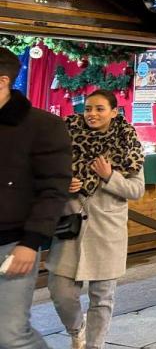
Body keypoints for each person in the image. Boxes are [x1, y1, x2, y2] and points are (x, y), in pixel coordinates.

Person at [48, 89, 146, 349]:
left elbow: (136, 190)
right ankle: (76, 329)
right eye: (88, 108)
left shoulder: (128, 146)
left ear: (114, 112)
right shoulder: (62, 141)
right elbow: (44, 178)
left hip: (107, 233)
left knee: (102, 298)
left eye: (99, 109)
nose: (92, 114)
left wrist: (109, 176)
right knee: (60, 292)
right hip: (70, 229)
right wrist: (62, 183)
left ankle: (94, 346)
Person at [0, 48, 72, 349]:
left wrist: (31, 242)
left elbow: (54, 188)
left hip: (11, 243)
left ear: (2, 80)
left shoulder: (42, 125)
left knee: (11, 335)